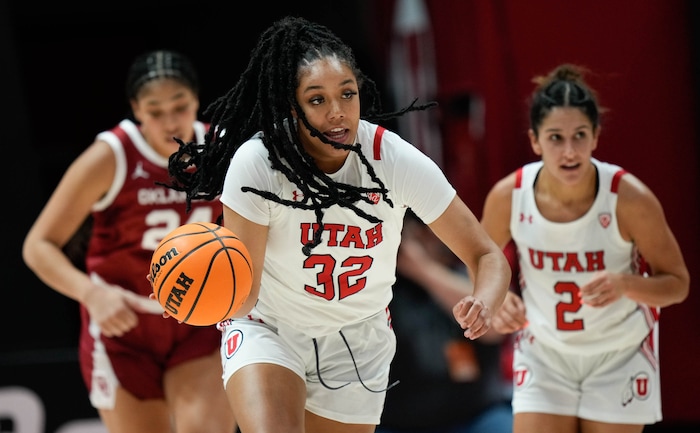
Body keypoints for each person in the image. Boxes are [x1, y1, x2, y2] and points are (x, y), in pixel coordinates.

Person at [165, 16, 511, 433]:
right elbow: (244, 294)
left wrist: (486, 299)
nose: (336, 112)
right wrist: (202, 291)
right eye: (317, 100)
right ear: (292, 107)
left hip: (357, 339)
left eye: (347, 94)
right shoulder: (258, 163)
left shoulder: (393, 160)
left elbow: (486, 253)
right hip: (271, 328)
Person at [22, 50, 237, 433]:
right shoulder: (112, 155)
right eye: (155, 110)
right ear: (136, 109)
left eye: (180, 106)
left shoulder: (221, 151)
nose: (170, 120)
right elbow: (38, 245)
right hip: (124, 326)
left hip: (199, 320)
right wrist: (91, 294)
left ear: (196, 101)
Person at [480, 63, 690, 433]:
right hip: (544, 352)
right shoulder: (507, 196)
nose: (569, 150)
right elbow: (480, 260)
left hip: (619, 354)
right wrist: (494, 298)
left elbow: (677, 283)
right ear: (535, 140)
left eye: (579, 135)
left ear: (595, 136)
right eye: (556, 138)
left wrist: (627, 285)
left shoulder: (629, 198)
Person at [376, 211, 513, 433]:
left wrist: (424, 270)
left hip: (478, 415)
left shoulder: (473, 278)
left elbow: (498, 325)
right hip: (399, 421)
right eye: (418, 233)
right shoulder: (383, 289)